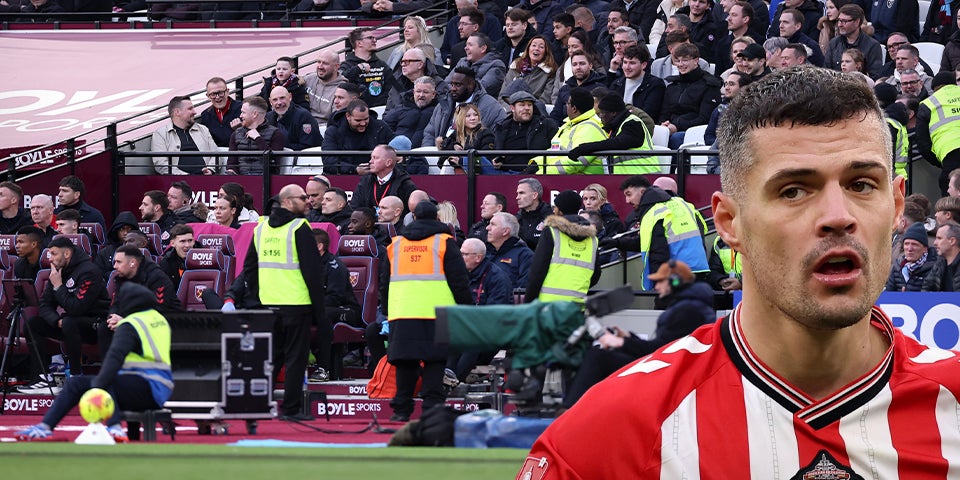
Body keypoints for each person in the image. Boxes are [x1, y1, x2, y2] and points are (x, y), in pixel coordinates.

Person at [517, 66, 960, 479]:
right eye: (793, 191)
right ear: (729, 223)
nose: (838, 216)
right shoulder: (609, 434)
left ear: (896, 205)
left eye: (861, 184)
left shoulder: (952, 404)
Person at [15, 283, 173, 442]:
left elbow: (115, 357)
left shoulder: (131, 324)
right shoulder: (159, 320)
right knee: (85, 382)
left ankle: (112, 428)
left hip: (145, 388)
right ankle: (47, 427)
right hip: (161, 387)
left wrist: (97, 385)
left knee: (102, 381)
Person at [561, 259, 715, 409]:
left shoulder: (687, 311)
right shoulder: (689, 307)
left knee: (597, 357)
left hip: (663, 373)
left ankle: (571, 410)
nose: (656, 286)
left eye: (660, 281)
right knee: (598, 355)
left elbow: (662, 351)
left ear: (675, 282)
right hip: (665, 369)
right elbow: (664, 348)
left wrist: (621, 343)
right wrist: (628, 338)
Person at [242, 184, 325, 421]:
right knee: (295, 359)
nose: (308, 201)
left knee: (270, 359)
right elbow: (313, 273)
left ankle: (259, 405)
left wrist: (259, 297)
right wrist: (320, 312)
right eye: (302, 197)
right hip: (296, 304)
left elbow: (249, 269)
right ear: (287, 201)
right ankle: (290, 409)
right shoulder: (300, 227)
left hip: (269, 305)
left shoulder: (261, 228)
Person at [384, 201, 472, 422]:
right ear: (438, 218)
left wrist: (386, 310)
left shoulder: (395, 244)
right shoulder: (445, 242)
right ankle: (432, 411)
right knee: (435, 362)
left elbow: (383, 283)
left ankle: (401, 410)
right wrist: (467, 310)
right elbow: (459, 281)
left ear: (413, 218)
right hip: (439, 313)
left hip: (403, 311)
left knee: (405, 362)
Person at [25, 236, 109, 384]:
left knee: (69, 321)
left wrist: (58, 286)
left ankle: (75, 376)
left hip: (94, 324)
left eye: (54, 253)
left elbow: (78, 308)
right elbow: (44, 304)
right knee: (32, 324)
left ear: (67, 253)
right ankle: (42, 377)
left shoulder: (89, 272)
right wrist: (56, 321)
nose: (50, 258)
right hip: (69, 324)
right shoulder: (58, 272)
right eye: (49, 254)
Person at [603, 175, 709, 289]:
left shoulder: (655, 212)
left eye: (629, 194)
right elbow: (647, 242)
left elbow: (658, 251)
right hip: (697, 269)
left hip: (675, 276)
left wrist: (659, 281)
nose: (627, 200)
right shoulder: (682, 204)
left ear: (642, 192)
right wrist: (617, 242)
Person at [445, 237, 514, 381]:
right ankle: (444, 378)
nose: (460, 257)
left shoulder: (497, 278)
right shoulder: (459, 275)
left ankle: (454, 381)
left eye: (464, 254)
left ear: (478, 258)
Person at [524, 190, 601, 304]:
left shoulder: (551, 232)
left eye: (555, 207)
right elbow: (596, 274)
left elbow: (537, 271)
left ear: (560, 210)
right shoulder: (593, 239)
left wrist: (529, 303)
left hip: (548, 306)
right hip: (576, 306)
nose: (553, 210)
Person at [309, 228, 360, 383]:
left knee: (323, 315)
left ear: (319, 246)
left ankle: (323, 369)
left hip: (347, 309)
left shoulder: (335, 266)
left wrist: (312, 306)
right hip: (321, 307)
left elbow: (336, 298)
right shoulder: (307, 265)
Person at [567, 94, 659, 174]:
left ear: (614, 113)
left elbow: (618, 143)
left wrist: (584, 148)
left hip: (646, 176)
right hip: (629, 178)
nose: (601, 117)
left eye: (603, 113)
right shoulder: (616, 128)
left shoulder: (633, 123)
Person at [422, 67, 506, 148]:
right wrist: (428, 153)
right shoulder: (443, 103)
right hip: (439, 153)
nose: (453, 88)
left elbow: (499, 138)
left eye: (458, 85)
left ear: (471, 85)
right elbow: (430, 133)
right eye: (452, 84)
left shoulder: (492, 107)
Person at [660, 43, 721, 149]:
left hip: (695, 131)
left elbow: (705, 118)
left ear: (696, 60)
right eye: (678, 61)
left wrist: (677, 127)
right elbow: (664, 113)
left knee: (676, 138)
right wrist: (664, 124)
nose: (680, 64)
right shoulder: (673, 86)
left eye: (685, 60)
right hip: (671, 128)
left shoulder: (709, 85)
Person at [541, 87, 607, 174]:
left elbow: (574, 162)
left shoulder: (590, 129)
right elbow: (553, 154)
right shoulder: (568, 125)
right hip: (563, 176)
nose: (566, 106)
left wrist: (541, 173)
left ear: (574, 108)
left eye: (568, 103)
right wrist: (536, 163)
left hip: (582, 179)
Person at [492, 91, 560, 174]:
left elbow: (556, 151)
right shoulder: (502, 127)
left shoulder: (546, 124)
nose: (527, 108)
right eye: (522, 105)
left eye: (529, 105)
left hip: (534, 173)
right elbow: (495, 152)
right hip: (504, 173)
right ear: (512, 108)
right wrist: (496, 159)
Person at [322, 99, 395, 175]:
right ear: (348, 116)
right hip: (344, 176)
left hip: (378, 175)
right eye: (358, 120)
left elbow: (394, 150)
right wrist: (354, 170)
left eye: (366, 119)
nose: (363, 123)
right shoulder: (333, 132)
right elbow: (329, 161)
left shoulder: (380, 127)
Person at [383, 77, 440, 174]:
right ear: (413, 92)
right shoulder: (400, 108)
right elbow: (384, 129)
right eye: (418, 91)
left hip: (420, 158)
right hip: (395, 156)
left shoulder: (439, 112)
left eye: (425, 92)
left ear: (433, 94)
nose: (421, 95)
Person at [916, 71, 960, 196]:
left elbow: (923, 144)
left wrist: (941, 161)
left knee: (951, 192)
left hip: (951, 152)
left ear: (934, 88)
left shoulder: (928, 104)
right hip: (951, 152)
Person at [151, 96, 218, 176]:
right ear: (177, 112)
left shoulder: (203, 129)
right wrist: (185, 176)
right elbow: (161, 164)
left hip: (206, 178)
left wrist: (210, 169)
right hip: (177, 181)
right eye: (190, 109)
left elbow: (216, 153)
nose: (194, 112)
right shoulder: (160, 134)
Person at [350, 145, 418, 216]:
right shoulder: (365, 181)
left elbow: (411, 214)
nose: (370, 161)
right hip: (368, 222)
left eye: (375, 158)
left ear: (388, 162)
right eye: (371, 158)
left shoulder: (405, 184)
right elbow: (354, 208)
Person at [227, 96, 286, 175]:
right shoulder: (236, 134)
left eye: (243, 112)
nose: (240, 116)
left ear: (254, 114)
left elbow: (273, 161)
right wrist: (231, 172)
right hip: (240, 179)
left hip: (266, 179)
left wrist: (258, 139)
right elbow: (231, 163)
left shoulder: (276, 134)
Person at [885, 221, 950, 291]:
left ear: (925, 249)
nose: (909, 249)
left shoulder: (937, 268)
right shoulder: (898, 266)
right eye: (906, 244)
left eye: (914, 244)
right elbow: (889, 293)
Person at [607, 44, 665, 122]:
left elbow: (647, 115)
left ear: (643, 65)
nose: (627, 67)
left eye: (632, 63)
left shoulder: (655, 85)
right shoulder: (617, 84)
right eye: (625, 62)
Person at [824, 4, 883, 79]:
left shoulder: (872, 46)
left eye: (844, 21)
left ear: (857, 22)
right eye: (839, 20)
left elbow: (875, 77)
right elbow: (826, 72)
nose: (839, 25)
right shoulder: (834, 43)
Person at [501, 35, 560, 106]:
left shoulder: (550, 72)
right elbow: (502, 96)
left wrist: (527, 108)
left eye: (541, 47)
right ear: (528, 48)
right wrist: (511, 109)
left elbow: (545, 99)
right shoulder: (515, 66)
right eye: (534, 45)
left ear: (546, 52)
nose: (536, 49)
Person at [437, 103, 495, 172]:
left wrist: (461, 161)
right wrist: (453, 147)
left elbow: (486, 162)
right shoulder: (456, 134)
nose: (473, 118)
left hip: (478, 175)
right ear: (460, 118)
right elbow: (440, 163)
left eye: (475, 115)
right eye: (468, 116)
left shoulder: (486, 134)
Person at [340, 28, 391, 108]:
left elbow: (392, 88)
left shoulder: (382, 64)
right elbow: (341, 83)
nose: (375, 40)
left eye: (374, 38)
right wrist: (358, 69)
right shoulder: (346, 65)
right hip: (356, 110)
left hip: (380, 109)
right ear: (359, 43)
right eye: (370, 38)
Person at [447, 32, 507, 98]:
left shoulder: (496, 65)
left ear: (483, 49)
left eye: (470, 45)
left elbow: (482, 89)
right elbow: (446, 84)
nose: (465, 48)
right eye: (466, 45)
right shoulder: (462, 62)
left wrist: (455, 89)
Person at [486, 211, 535, 291]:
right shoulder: (485, 252)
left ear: (505, 231)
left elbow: (523, 290)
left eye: (493, 224)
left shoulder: (525, 256)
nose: (487, 228)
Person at [265, 86, 323, 151]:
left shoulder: (304, 117)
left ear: (290, 97)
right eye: (275, 100)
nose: (279, 103)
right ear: (270, 102)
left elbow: (309, 147)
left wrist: (279, 146)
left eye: (282, 98)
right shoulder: (268, 117)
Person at [303, 50, 346, 126]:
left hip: (325, 127)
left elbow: (336, 119)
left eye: (325, 63)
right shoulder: (308, 79)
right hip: (302, 123)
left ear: (336, 67)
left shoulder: (342, 89)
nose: (320, 66)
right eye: (318, 62)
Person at [198, 76, 242, 148]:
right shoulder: (205, 115)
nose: (217, 97)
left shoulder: (242, 109)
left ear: (227, 92)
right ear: (208, 96)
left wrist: (241, 129)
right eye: (213, 94)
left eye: (221, 93)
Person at [94, 211, 138, 280]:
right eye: (122, 229)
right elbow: (98, 273)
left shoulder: (139, 251)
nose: (125, 233)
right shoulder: (105, 252)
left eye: (129, 229)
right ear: (116, 230)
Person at [516, 177, 553, 250]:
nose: (517, 197)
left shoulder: (551, 217)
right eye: (517, 194)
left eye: (521, 193)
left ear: (534, 195)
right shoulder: (516, 219)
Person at [158, 223, 195, 291]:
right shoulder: (167, 262)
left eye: (190, 240)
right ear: (172, 243)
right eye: (182, 241)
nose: (187, 245)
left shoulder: (206, 257)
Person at [935, 221, 960, 290]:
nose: (935, 243)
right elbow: (927, 286)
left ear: (952, 241)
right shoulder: (940, 262)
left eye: (939, 238)